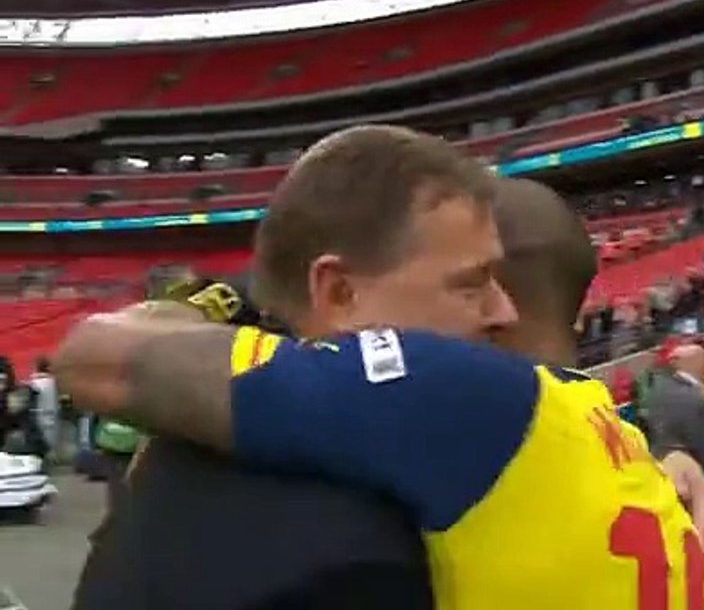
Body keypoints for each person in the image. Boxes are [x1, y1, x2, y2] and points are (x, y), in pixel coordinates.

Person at [56, 135, 704, 609]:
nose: (499, 308)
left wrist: (220, 301)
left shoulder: (448, 403)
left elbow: (100, 359)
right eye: (470, 283)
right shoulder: (615, 446)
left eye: (493, 278)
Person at [74, 125, 519, 610]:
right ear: (339, 293)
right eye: (470, 284)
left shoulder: (189, 451)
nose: (505, 312)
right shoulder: (352, 554)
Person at [645, 343, 704, 530]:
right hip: (696, 481)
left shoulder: (661, 390)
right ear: (698, 363)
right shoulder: (694, 400)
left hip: (665, 477)